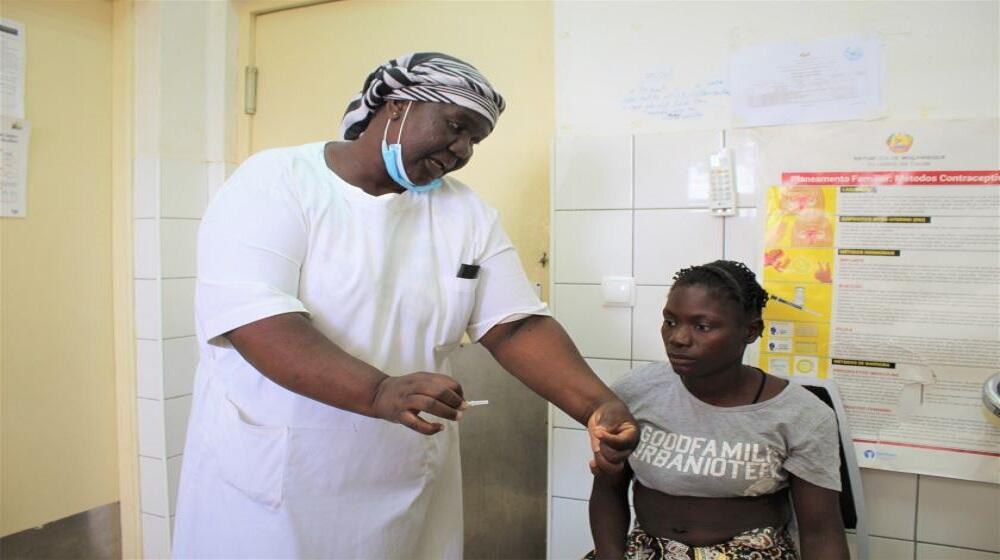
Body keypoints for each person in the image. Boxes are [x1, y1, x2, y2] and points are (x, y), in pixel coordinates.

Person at [172, 52, 638, 559]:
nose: (461, 151)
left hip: (400, 474)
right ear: (396, 106)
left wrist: (595, 405)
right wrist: (378, 392)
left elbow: (514, 326)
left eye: (475, 141)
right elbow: (256, 320)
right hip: (277, 484)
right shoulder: (277, 181)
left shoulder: (466, 213)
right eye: (456, 126)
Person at [588, 260, 849, 560]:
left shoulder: (801, 415)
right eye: (670, 321)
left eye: (702, 326)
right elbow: (608, 489)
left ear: (750, 331)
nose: (678, 339)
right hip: (648, 551)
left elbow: (821, 531)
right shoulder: (635, 391)